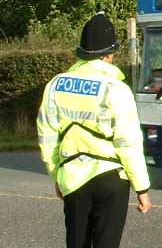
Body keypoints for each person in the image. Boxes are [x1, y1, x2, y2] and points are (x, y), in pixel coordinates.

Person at [37, 13, 152, 248]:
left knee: (76, 242)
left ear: (82, 52)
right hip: (111, 179)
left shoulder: (56, 84)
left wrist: (56, 175)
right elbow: (128, 143)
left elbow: (47, 136)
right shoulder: (116, 89)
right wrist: (142, 187)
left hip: (72, 176)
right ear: (109, 54)